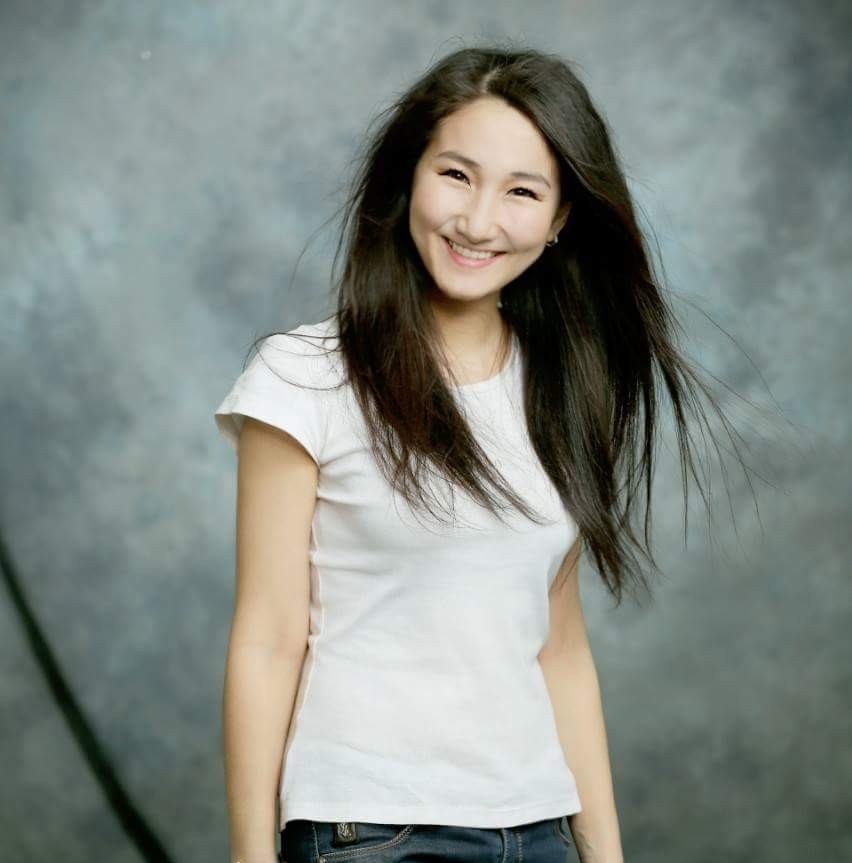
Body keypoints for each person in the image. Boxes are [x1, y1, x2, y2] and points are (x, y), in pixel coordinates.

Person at [214, 44, 744, 863]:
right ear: (409, 177)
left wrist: (605, 854)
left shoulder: (566, 388)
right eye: (456, 175)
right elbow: (267, 638)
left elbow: (558, 647)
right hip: (369, 829)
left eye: (522, 191)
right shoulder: (304, 377)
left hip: (537, 827)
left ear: (561, 218)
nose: (478, 220)